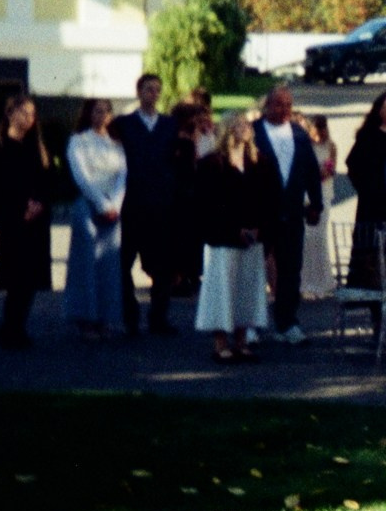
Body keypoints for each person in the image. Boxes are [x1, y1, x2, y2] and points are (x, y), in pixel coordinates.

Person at [195, 113, 268, 363]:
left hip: (252, 237)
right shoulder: (212, 164)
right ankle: (220, 343)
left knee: (247, 289)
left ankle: (242, 341)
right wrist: (233, 229)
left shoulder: (259, 161)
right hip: (223, 238)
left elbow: (267, 199)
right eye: (240, 124)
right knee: (222, 289)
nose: (246, 128)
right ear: (228, 129)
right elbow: (209, 205)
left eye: (248, 124)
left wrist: (259, 228)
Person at [108, 73, 178, 336]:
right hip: (131, 205)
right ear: (138, 92)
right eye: (148, 89)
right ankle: (130, 316)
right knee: (123, 263)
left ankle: (159, 317)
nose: (153, 94)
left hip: (161, 206)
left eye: (157, 89)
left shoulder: (170, 125)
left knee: (162, 266)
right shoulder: (124, 124)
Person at [253, 85, 324, 344]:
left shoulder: (299, 134)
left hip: (292, 213)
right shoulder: (254, 133)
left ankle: (287, 323)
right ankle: (249, 324)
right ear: (267, 106)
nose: (284, 110)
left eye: (288, 105)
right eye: (278, 105)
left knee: (291, 269)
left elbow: (311, 171)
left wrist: (315, 203)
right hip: (260, 213)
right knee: (253, 268)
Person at [0, 93, 53, 351]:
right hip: (12, 221)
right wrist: (16, 212)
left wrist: (39, 203)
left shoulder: (36, 145)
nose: (29, 118)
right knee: (16, 278)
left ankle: (19, 326)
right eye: (24, 112)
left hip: (36, 222)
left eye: (32, 114)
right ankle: (9, 327)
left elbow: (47, 181)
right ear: (10, 113)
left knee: (30, 279)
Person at [63, 98, 127, 340]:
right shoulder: (79, 141)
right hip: (88, 206)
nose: (101, 115)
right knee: (86, 262)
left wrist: (115, 205)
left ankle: (105, 319)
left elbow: (123, 176)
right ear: (89, 113)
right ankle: (85, 319)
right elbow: (82, 177)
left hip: (113, 208)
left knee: (109, 263)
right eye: (97, 111)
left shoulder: (116, 145)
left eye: (106, 111)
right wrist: (101, 203)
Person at [347, 90, 386, 293]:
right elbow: (354, 167)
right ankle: (378, 317)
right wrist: (370, 191)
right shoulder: (369, 137)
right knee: (374, 267)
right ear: (379, 112)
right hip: (374, 209)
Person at [168, 102, 213, 298]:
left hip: (195, 192)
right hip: (181, 192)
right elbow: (191, 162)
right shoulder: (179, 140)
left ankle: (190, 274)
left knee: (194, 237)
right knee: (180, 236)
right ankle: (178, 277)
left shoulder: (195, 137)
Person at [300, 115, 338, 300]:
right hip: (308, 195)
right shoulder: (305, 147)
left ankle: (323, 281)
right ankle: (306, 282)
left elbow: (331, 168)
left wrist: (327, 172)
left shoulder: (331, 146)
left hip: (324, 192)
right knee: (308, 237)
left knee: (320, 237)